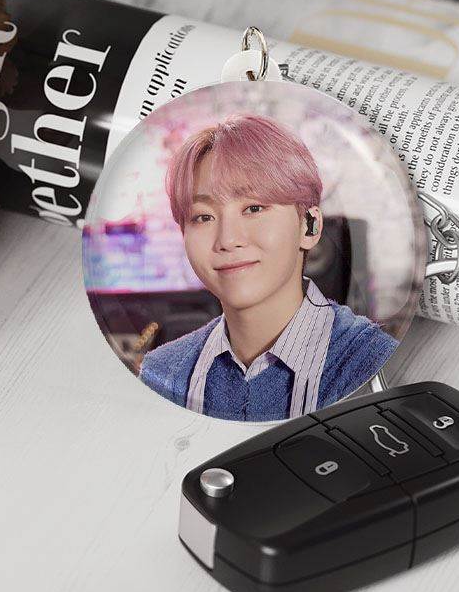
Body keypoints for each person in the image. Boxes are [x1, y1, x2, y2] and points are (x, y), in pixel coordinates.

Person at [139, 113, 398, 421]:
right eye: (203, 217)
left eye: (254, 208)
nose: (228, 240)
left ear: (310, 226)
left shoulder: (372, 360)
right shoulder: (162, 372)